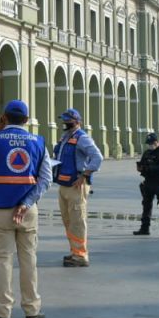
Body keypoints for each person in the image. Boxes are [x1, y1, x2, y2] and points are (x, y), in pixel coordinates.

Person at [0, 100, 51, 318]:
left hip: (1, 209)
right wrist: (26, 203)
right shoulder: (38, 142)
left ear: (4, 117)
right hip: (27, 210)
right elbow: (46, 179)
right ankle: (32, 309)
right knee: (29, 259)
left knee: (3, 260)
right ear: (26, 120)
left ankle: (2, 310)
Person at [52, 108, 103, 267]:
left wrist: (84, 175)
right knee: (69, 221)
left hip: (76, 186)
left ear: (76, 122)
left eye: (67, 120)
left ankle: (81, 256)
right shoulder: (65, 137)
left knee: (78, 221)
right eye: (63, 119)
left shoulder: (82, 138)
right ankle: (75, 251)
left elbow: (97, 157)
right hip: (64, 185)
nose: (64, 122)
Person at [134, 132, 159, 239]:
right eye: (148, 143)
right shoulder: (147, 153)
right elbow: (142, 164)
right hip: (148, 182)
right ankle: (144, 228)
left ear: (157, 142)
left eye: (152, 143)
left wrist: (150, 168)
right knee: (146, 206)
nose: (150, 145)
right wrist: (141, 168)